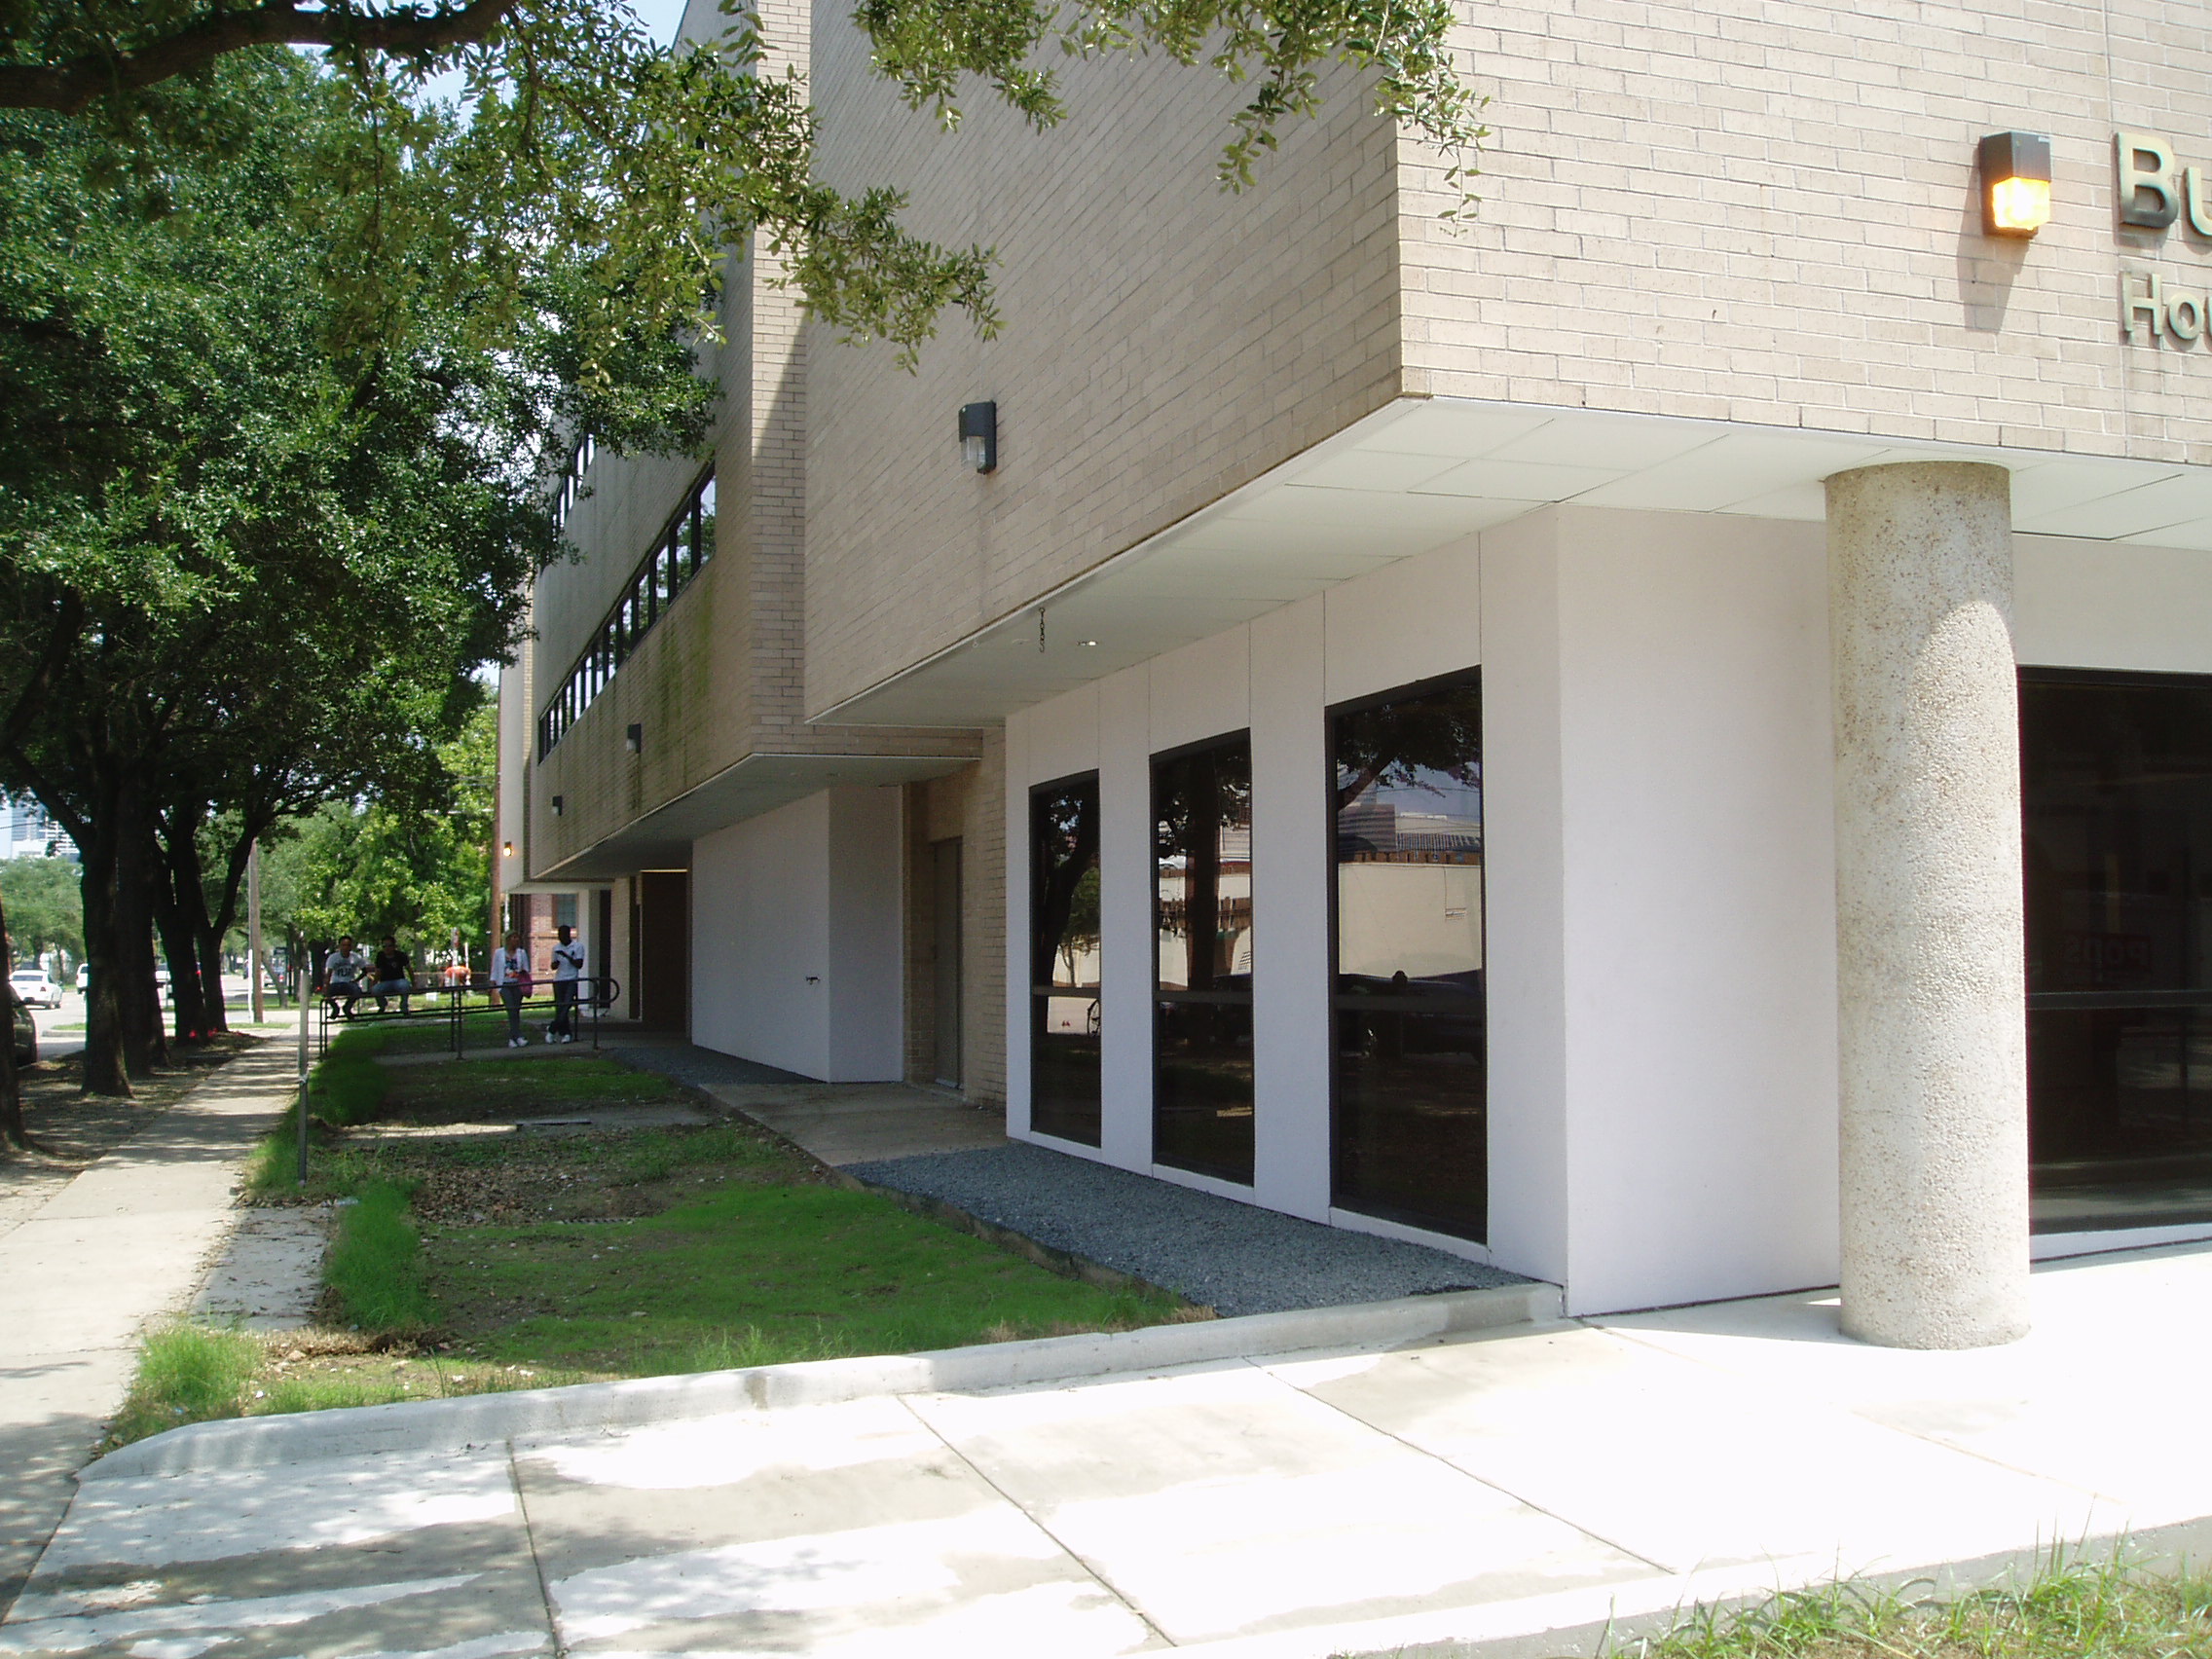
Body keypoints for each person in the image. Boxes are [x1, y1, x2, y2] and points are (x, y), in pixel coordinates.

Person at [490, 931, 532, 1048]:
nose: (516, 940)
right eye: (513, 937)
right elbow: (495, 968)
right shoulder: (499, 953)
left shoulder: (521, 953)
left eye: (517, 937)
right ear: (508, 939)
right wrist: (493, 981)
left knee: (516, 1010)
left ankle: (515, 1037)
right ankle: (516, 1036)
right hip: (504, 984)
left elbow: (526, 969)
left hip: (518, 985)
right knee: (511, 1009)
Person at [546, 924, 584, 1043]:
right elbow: (553, 966)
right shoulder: (556, 948)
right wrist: (556, 962)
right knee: (560, 1007)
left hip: (571, 979)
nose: (560, 938)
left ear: (568, 935)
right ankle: (566, 1033)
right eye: (559, 935)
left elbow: (579, 964)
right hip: (559, 980)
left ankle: (552, 1029)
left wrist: (567, 956)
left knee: (567, 1005)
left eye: (562, 935)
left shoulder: (577, 947)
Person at [321, 936, 366, 1018]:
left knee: (357, 991)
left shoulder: (356, 957)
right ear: (339, 946)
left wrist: (356, 980)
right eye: (343, 945)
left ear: (351, 946)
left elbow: (365, 970)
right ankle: (335, 1008)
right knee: (326, 992)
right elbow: (328, 974)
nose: (345, 947)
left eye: (348, 945)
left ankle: (347, 1008)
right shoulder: (333, 957)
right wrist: (325, 987)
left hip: (349, 983)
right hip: (336, 983)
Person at [370, 936, 413, 1015]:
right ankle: (382, 1006)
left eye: (389, 946)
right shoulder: (380, 956)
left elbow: (409, 969)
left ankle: (404, 1007)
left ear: (394, 946)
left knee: (405, 985)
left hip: (399, 981)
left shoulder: (401, 955)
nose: (387, 948)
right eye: (384, 946)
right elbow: (378, 971)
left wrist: (414, 983)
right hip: (385, 982)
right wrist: (374, 983)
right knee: (375, 989)